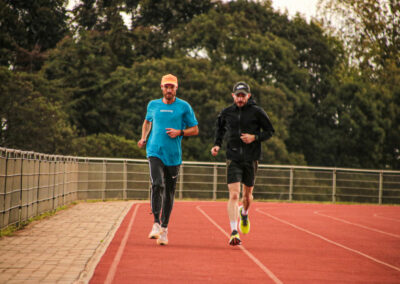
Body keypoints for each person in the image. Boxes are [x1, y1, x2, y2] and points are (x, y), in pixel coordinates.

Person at [138, 74, 199, 245]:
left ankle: (164, 228)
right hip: (154, 151)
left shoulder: (184, 107)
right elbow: (147, 122)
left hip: (173, 156)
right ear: (162, 87)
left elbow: (195, 129)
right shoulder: (153, 105)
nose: (169, 90)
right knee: (157, 184)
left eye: (172, 87)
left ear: (176, 88)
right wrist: (143, 137)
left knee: (170, 192)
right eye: (166, 86)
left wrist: (180, 132)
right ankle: (156, 223)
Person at [211, 82, 274, 246]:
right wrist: (217, 144)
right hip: (233, 157)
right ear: (233, 96)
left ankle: (244, 213)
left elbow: (270, 131)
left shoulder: (257, 112)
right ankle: (233, 231)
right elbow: (220, 129)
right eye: (237, 95)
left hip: (251, 158)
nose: (240, 98)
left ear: (248, 96)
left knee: (247, 196)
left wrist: (255, 137)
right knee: (233, 195)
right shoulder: (227, 112)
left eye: (243, 95)